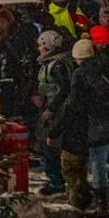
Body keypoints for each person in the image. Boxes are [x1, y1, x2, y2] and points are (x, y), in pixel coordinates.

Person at [62, 38, 109, 217]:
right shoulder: (105, 66)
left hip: (100, 125)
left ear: (78, 57)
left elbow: (75, 103)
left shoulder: (80, 74)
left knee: (98, 164)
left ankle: (102, 207)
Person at [33, 30, 73, 196]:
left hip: (56, 112)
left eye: (41, 45)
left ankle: (57, 181)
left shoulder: (56, 65)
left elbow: (64, 89)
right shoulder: (50, 63)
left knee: (52, 146)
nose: (38, 48)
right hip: (51, 109)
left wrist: (51, 109)